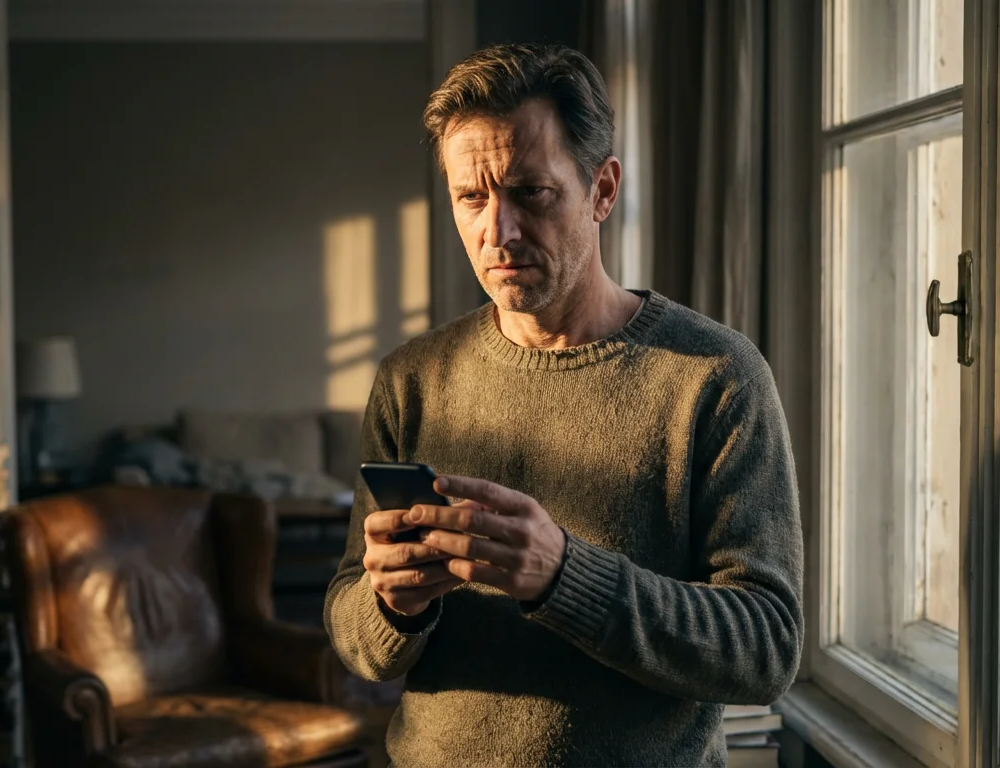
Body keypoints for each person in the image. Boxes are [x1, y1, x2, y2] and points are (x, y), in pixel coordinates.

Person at [323, 42, 803, 767]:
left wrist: (563, 577)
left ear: (602, 190)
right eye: (471, 197)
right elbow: (356, 634)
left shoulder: (717, 377)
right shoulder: (410, 379)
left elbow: (765, 647)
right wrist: (393, 605)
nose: (497, 232)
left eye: (530, 193)